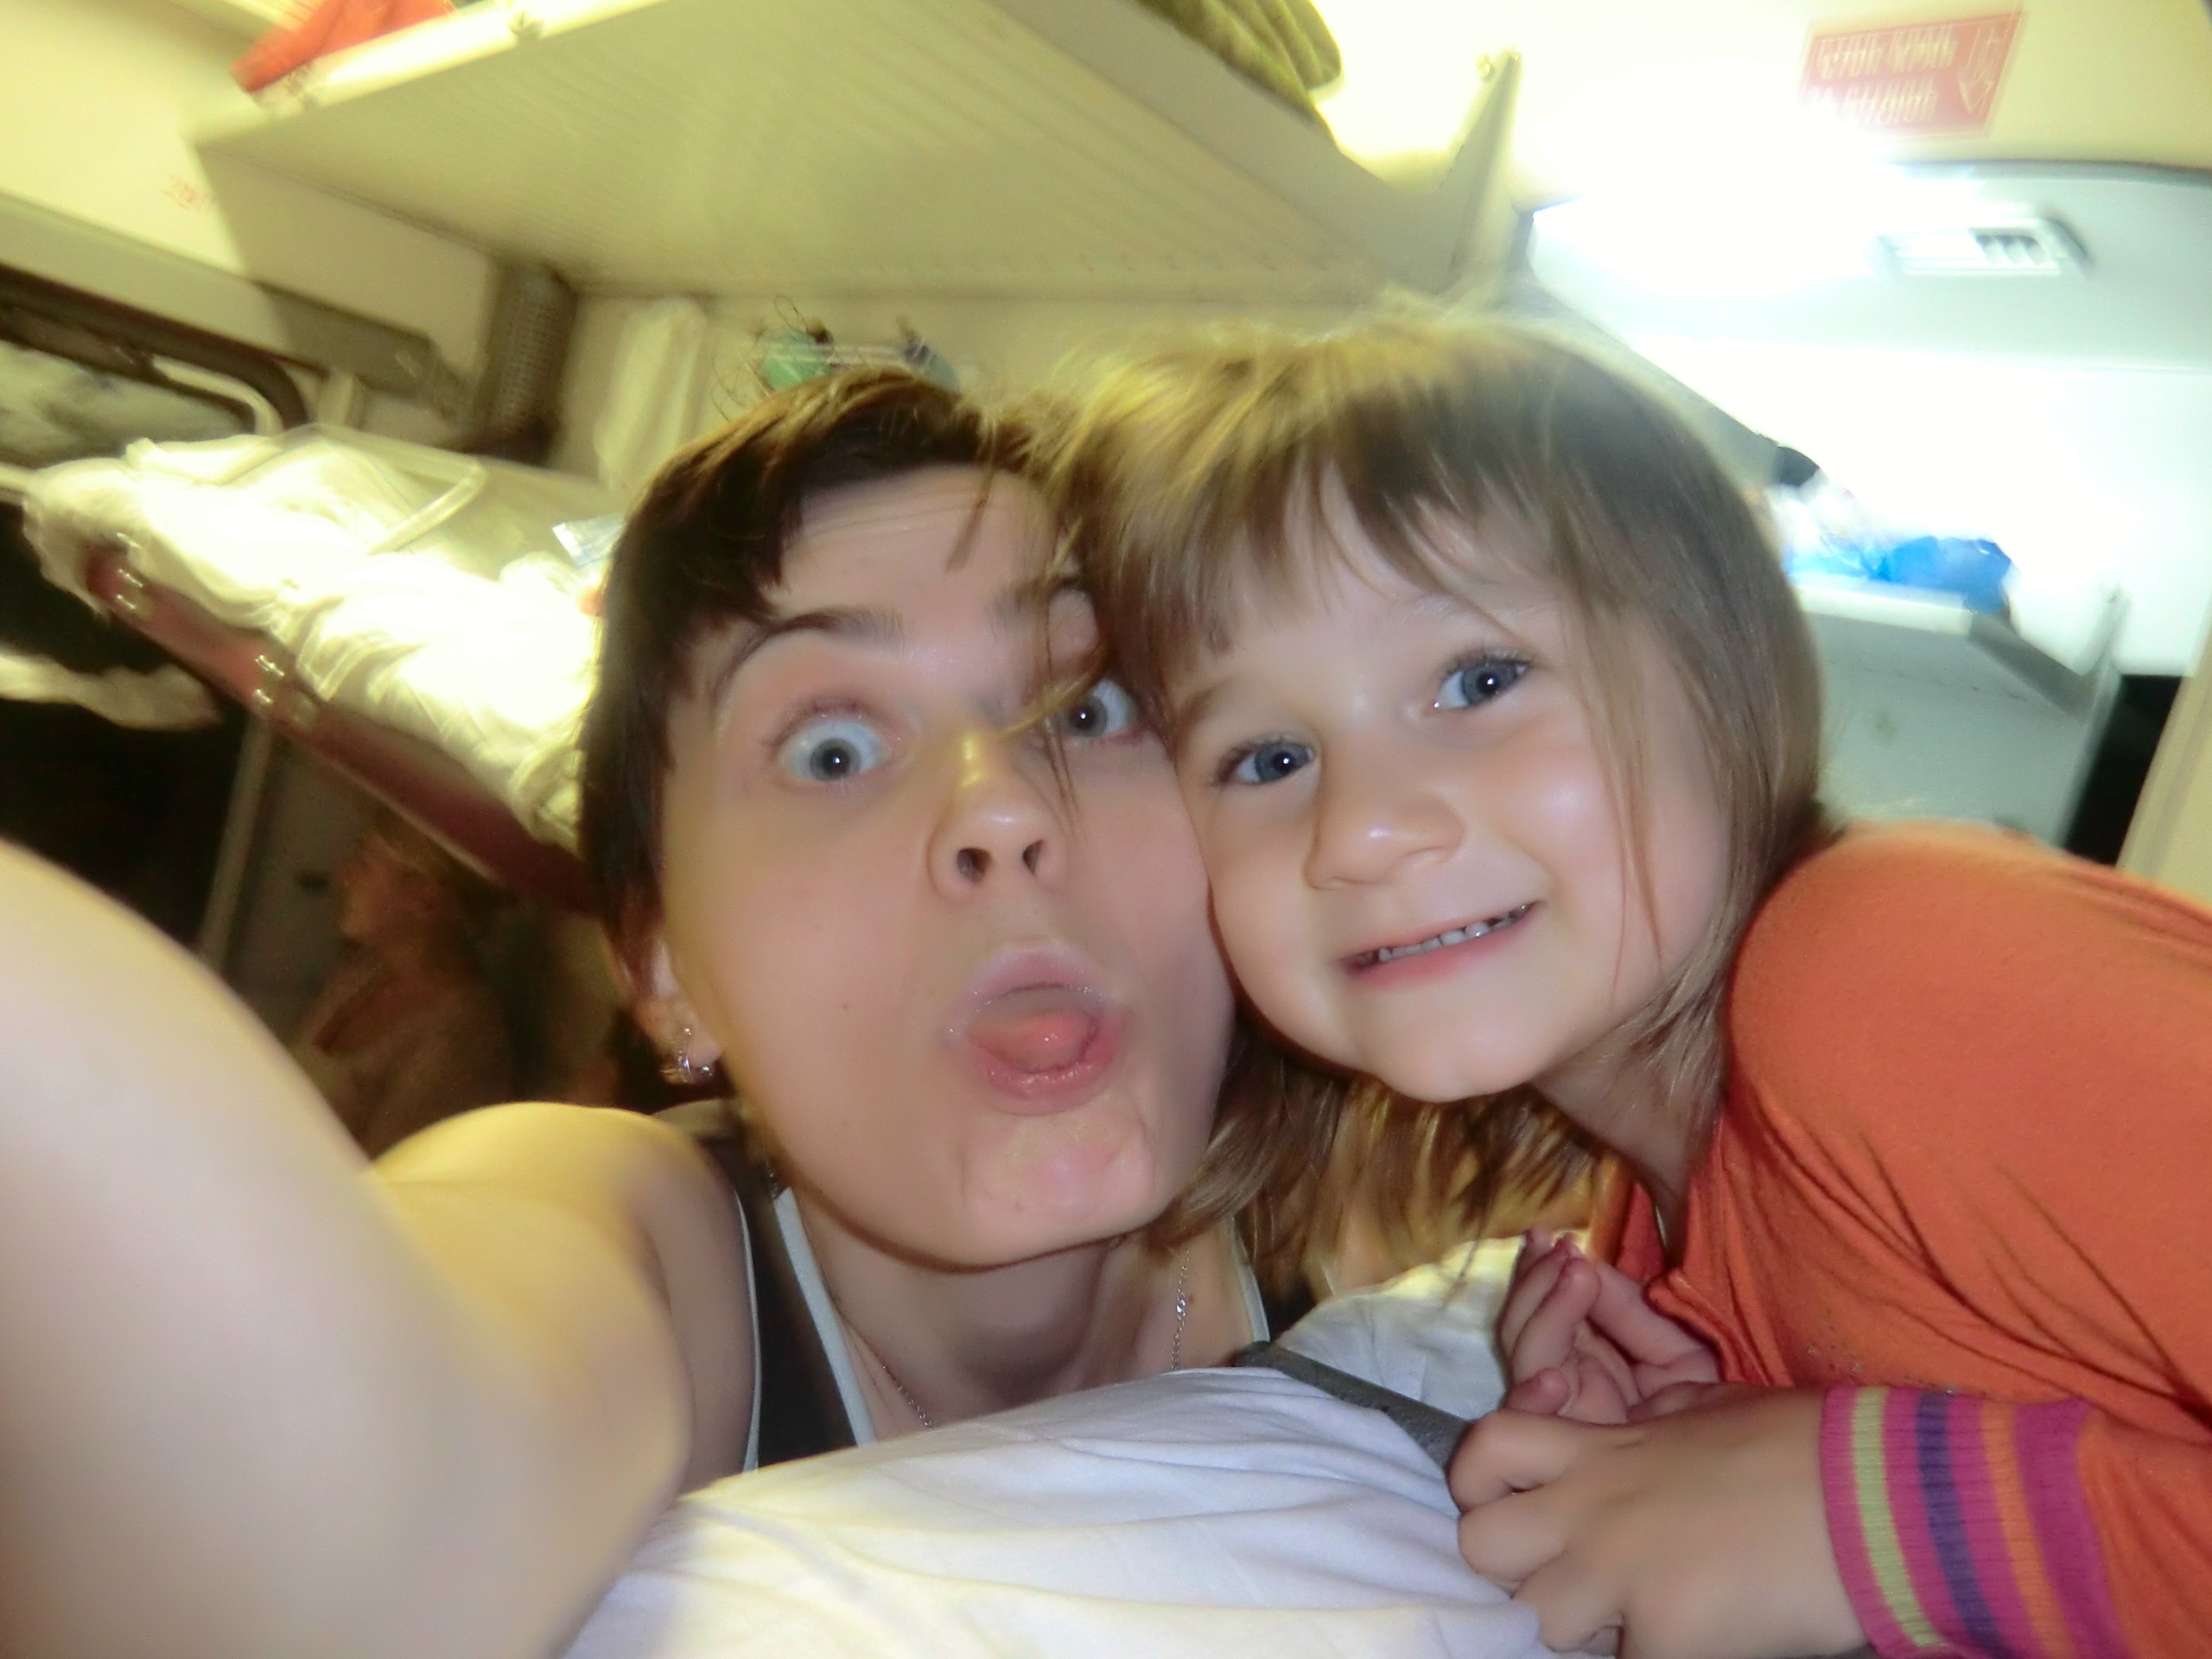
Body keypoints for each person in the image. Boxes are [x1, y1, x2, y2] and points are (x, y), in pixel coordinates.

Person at [0, 368, 1325, 1659]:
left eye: (1085, 707)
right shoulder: (651, 1255)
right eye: (832, 750)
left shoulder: (1377, 1203)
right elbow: (324, 1530)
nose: (1003, 806)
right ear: (664, 973)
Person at [1059, 315, 2212, 1659]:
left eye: (1479, 679)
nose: (1363, 829)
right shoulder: (1651, 1230)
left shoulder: (1894, 970)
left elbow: (1927, 1523)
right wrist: (1709, 1438)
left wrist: (1889, 1517)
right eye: (1267, 759)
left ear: (1724, 672)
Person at [290, 810, 513, 1157]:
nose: (344, 877)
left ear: (426, 899)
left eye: (365, 865)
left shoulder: (460, 1038)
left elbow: (388, 1174)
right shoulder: (364, 972)